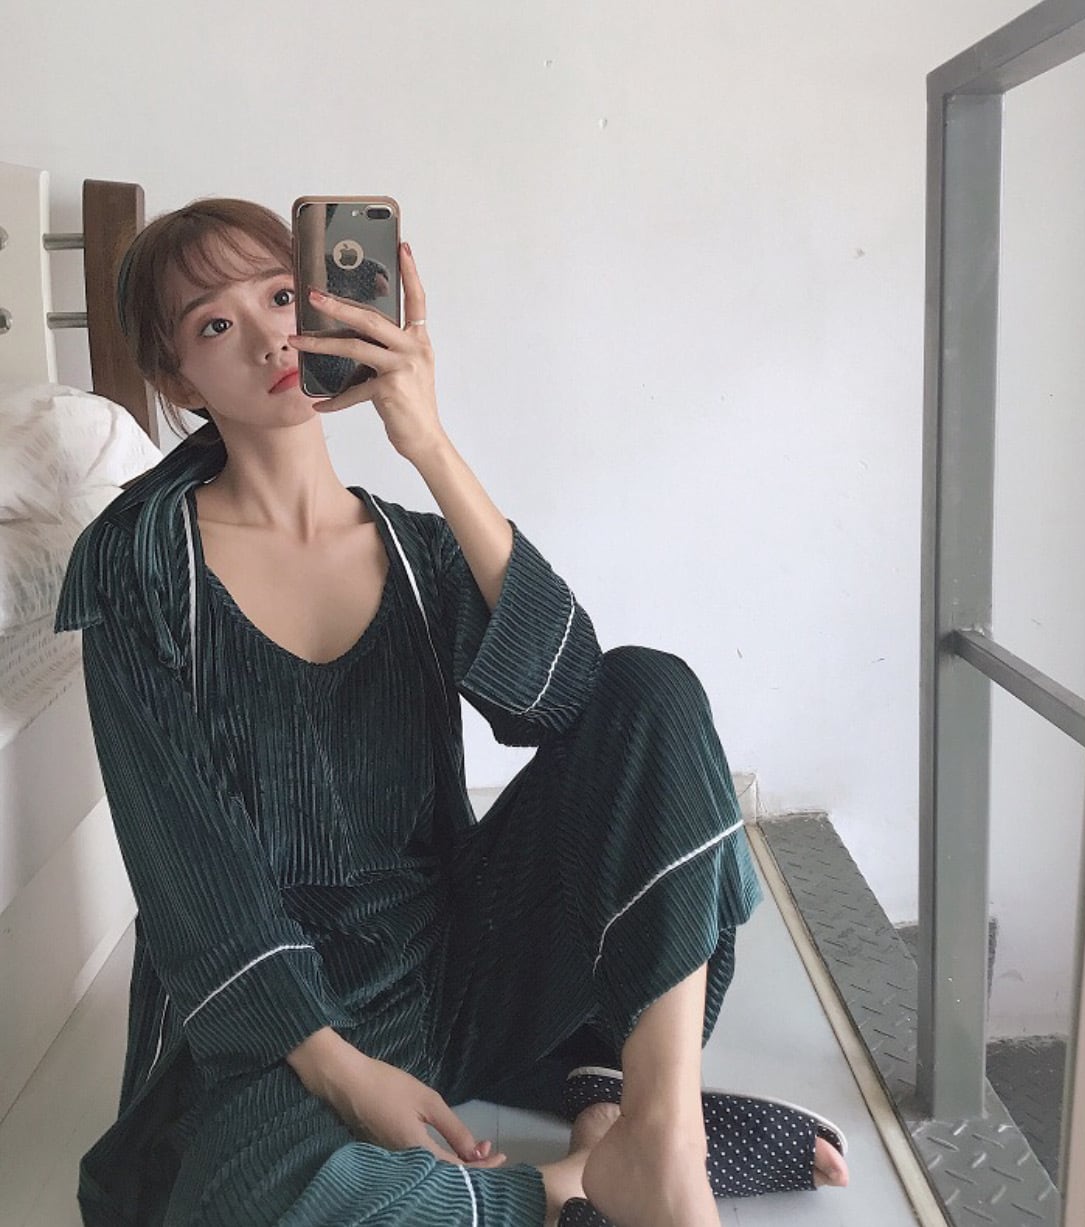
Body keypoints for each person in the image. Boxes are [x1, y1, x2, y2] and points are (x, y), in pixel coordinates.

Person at [54, 198, 849, 1226]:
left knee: (651, 687)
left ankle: (661, 1136)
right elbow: (185, 866)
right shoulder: (138, 568)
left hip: (457, 963)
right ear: (178, 381)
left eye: (283, 297)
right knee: (244, 1203)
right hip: (287, 1013)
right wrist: (346, 1075)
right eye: (215, 324)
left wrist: (427, 440)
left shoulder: (419, 552)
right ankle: (569, 1179)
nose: (269, 339)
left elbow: (576, 698)